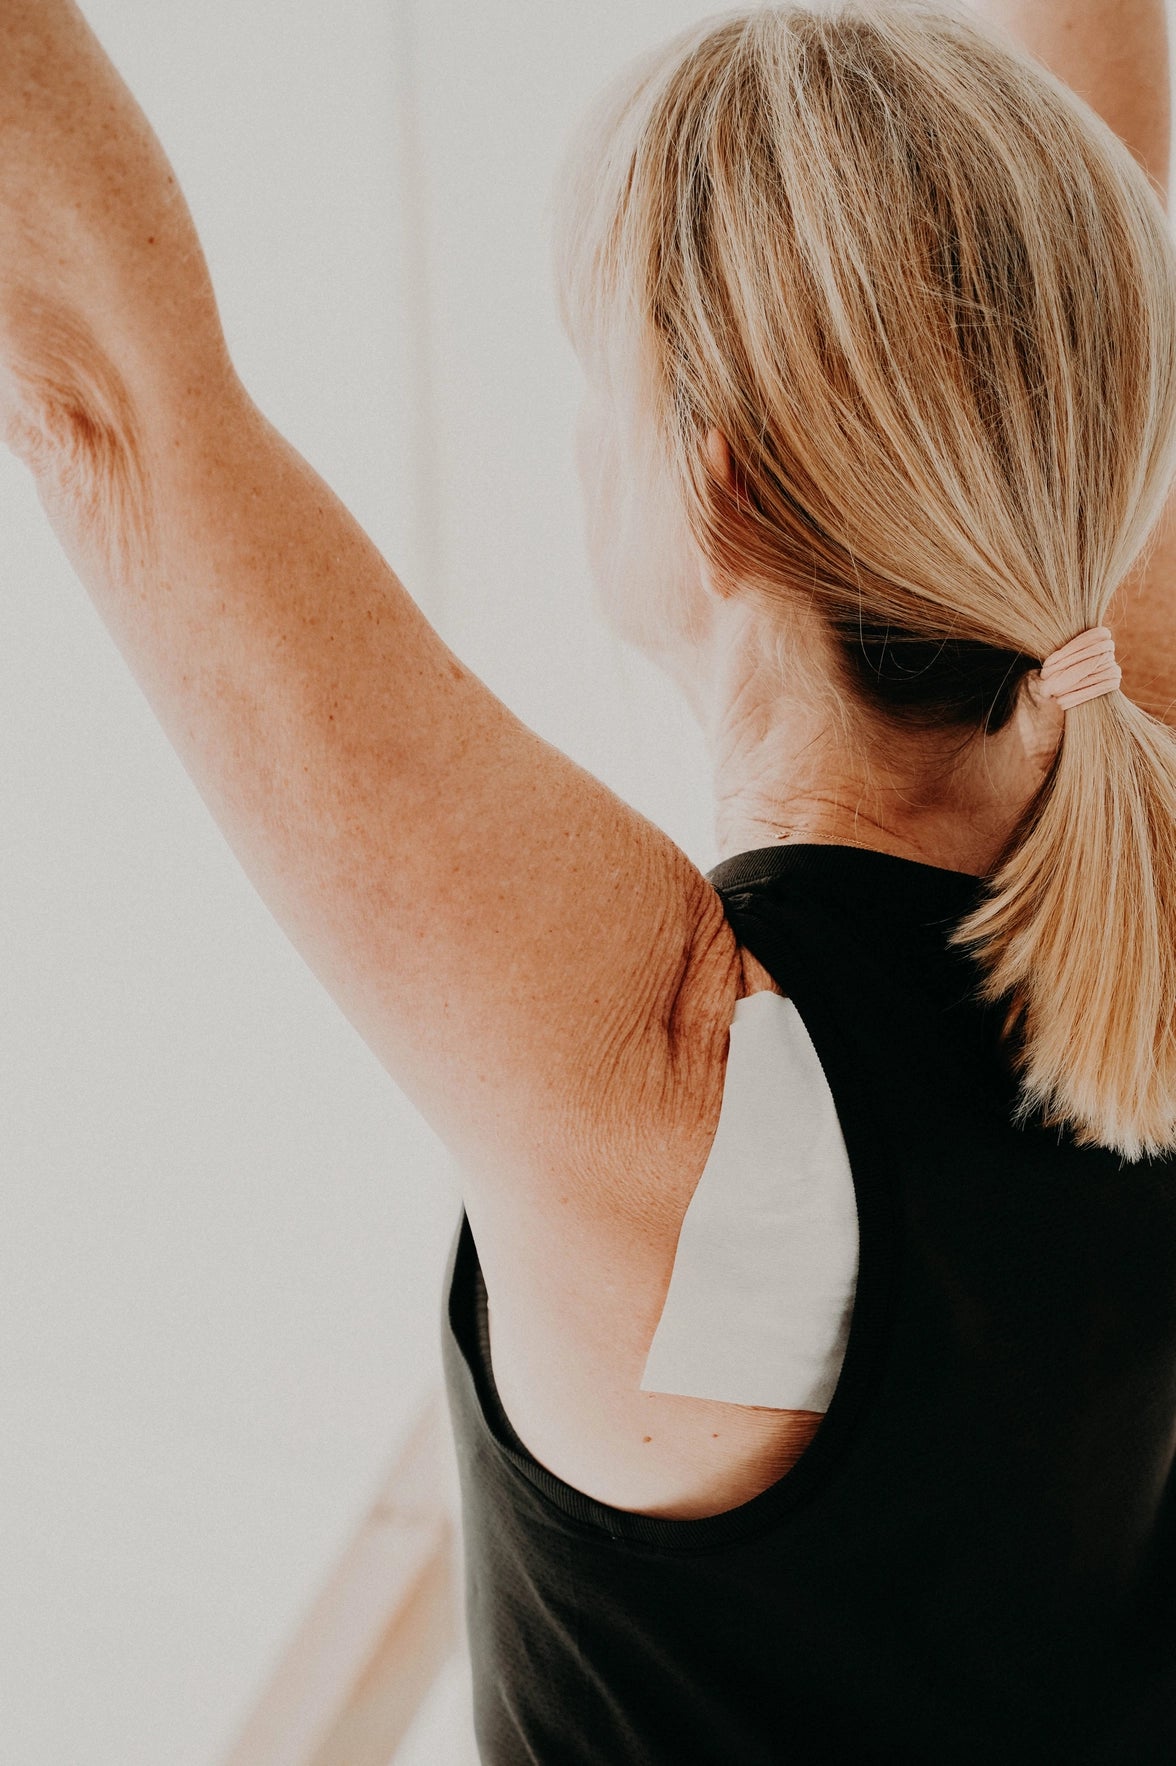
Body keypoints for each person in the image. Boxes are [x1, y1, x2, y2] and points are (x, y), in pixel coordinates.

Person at [3, 0, 1176, 1760]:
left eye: (596, 376)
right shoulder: (1130, 732)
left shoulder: (692, 1105)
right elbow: (1099, 202)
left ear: (717, 486)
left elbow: (109, 399)